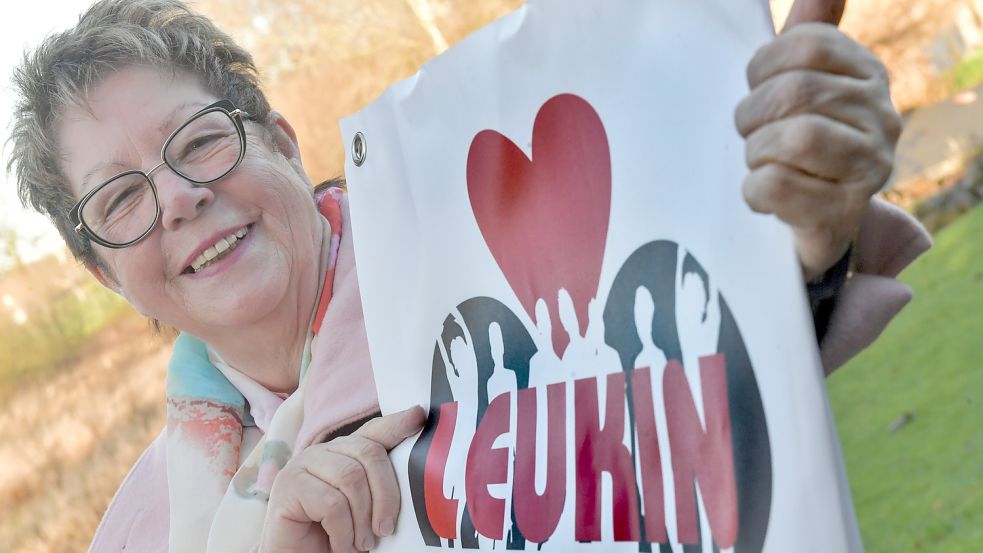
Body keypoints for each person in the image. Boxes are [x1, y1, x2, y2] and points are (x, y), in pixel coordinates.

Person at [6, 0, 930, 551]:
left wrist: (794, 224)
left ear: (282, 145)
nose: (176, 197)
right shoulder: (141, 530)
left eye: (199, 140)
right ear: (105, 275)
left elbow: (695, 347)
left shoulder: (479, 262)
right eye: (119, 200)